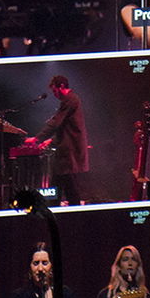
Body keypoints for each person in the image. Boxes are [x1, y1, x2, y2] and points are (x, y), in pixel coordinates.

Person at [32, 74, 89, 205]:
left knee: (69, 187)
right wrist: (50, 140)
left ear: (61, 86)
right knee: (58, 184)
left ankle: (71, 213)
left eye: (54, 91)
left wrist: (37, 138)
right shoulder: (70, 100)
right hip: (66, 150)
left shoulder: (70, 99)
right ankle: (54, 209)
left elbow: (56, 123)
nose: (54, 95)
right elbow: (65, 127)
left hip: (69, 151)